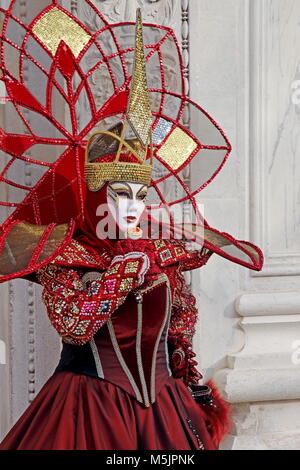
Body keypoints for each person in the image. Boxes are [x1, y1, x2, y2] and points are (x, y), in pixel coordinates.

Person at [0, 3, 263, 450]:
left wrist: (189, 373)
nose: (132, 207)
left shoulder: (162, 251)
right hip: (89, 412)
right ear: (98, 196)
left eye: (140, 196)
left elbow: (178, 329)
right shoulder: (65, 254)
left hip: (164, 412)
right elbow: (75, 326)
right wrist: (123, 273)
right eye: (120, 194)